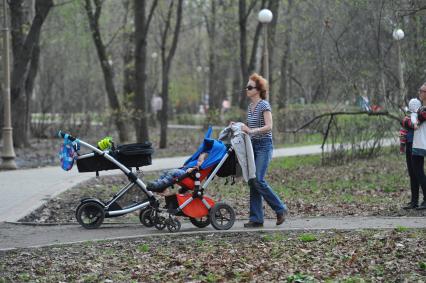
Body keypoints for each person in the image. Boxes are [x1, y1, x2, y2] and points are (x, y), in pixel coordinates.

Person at [235, 73, 288, 227]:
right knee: (252, 181)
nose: (247, 89)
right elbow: (248, 128)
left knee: (258, 179)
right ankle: (256, 219)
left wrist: (252, 131)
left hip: (265, 146)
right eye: (247, 86)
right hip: (253, 146)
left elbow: (269, 126)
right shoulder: (250, 107)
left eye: (250, 87)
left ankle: (281, 209)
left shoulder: (264, 105)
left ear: (258, 90)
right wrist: (239, 126)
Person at [400, 98, 426, 209]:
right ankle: (414, 201)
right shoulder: (412, 115)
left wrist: (408, 120)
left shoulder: (421, 112)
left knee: (418, 172)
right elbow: (406, 123)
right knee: (412, 173)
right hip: (410, 144)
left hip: (418, 145)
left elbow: (412, 122)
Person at [410, 83, 426, 210]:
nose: (419, 92)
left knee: (418, 171)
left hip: (421, 143)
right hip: (419, 143)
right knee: (417, 171)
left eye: (421, 90)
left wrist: (415, 120)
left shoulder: (423, 109)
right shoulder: (420, 107)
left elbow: (417, 119)